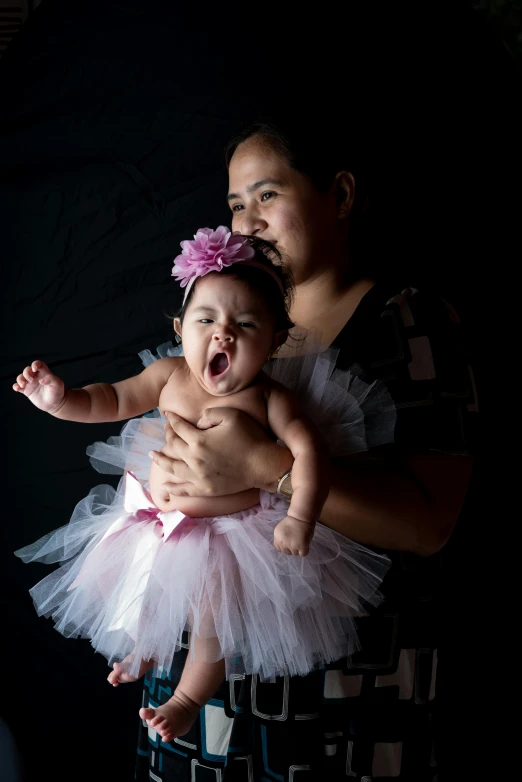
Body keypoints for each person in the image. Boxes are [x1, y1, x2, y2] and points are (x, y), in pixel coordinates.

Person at [134, 119, 477, 780]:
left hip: (339, 697)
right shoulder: (225, 319)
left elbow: (432, 524)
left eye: (267, 196)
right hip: (203, 690)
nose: (247, 222)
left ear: (340, 195)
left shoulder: (409, 321)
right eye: (235, 205)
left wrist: (266, 468)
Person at [13, 228, 392, 744]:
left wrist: (300, 517)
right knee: (145, 585)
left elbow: (310, 455)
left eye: (246, 323)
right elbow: (109, 399)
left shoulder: (269, 399)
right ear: (180, 327)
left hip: (232, 533)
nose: (223, 335)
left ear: (277, 339)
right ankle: (146, 648)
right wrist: (60, 400)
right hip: (161, 519)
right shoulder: (169, 376)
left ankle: (188, 699)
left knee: (212, 614)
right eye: (206, 319)